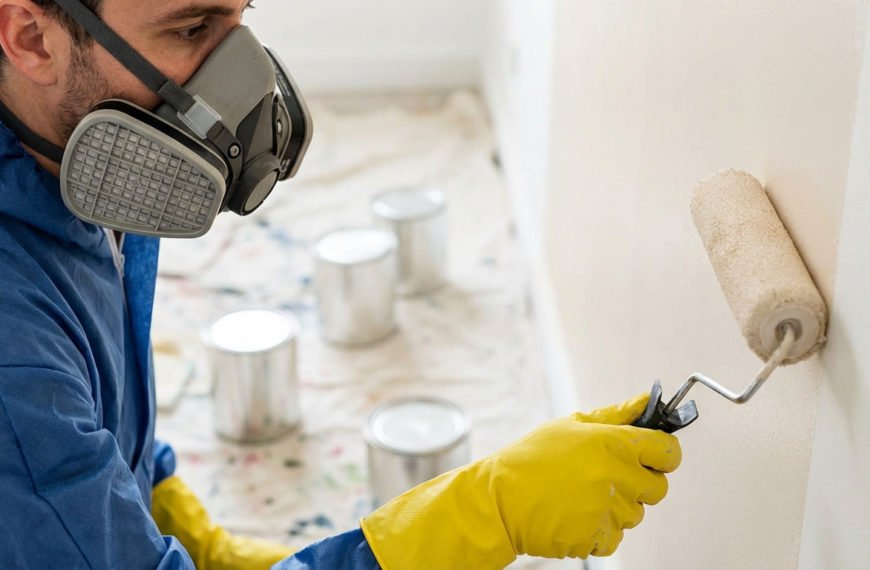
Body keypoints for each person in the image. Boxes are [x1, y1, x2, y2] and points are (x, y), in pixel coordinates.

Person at [0, 1, 683, 568]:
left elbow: (103, 420)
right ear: (32, 37)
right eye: (191, 29)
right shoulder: (16, 359)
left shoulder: (85, 151)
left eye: (239, 17)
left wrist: (174, 519)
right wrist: (486, 515)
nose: (236, 83)